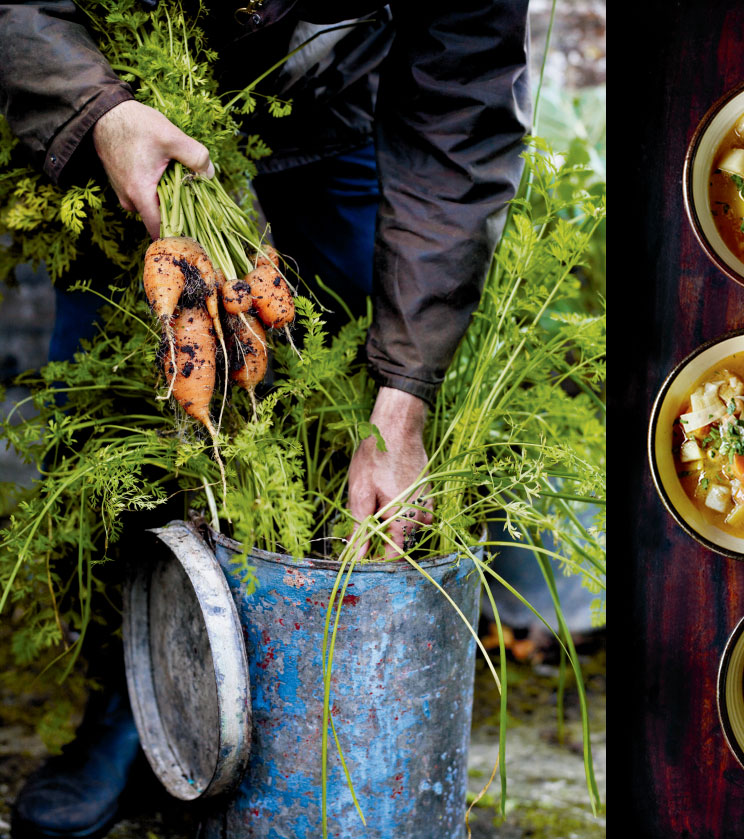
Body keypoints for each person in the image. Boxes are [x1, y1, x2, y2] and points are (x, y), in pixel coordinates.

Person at [0, 1, 530, 836]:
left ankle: (307, 702)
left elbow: (462, 104)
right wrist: (93, 108)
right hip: (139, 130)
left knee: (339, 404)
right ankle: (135, 704)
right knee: (116, 432)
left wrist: (403, 401)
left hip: (333, 124)